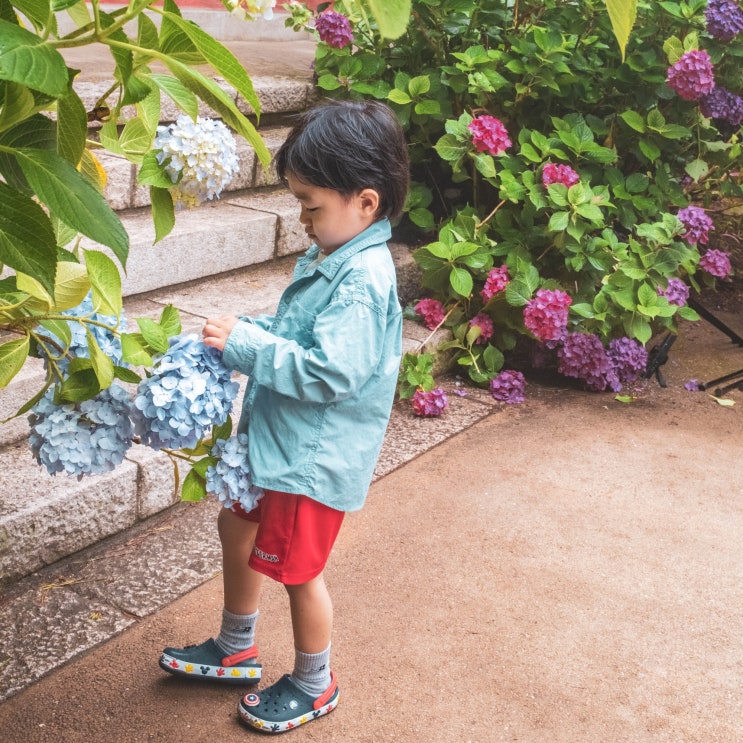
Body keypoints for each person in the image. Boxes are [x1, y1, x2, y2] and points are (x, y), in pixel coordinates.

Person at [159, 99, 409, 734]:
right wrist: (249, 333)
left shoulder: (361, 279)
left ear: (366, 203)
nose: (301, 218)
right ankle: (237, 644)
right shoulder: (335, 255)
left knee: (298, 571)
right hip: (277, 445)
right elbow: (300, 334)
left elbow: (331, 373)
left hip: (310, 461)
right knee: (235, 524)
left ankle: (313, 681)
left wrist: (247, 346)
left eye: (310, 204)